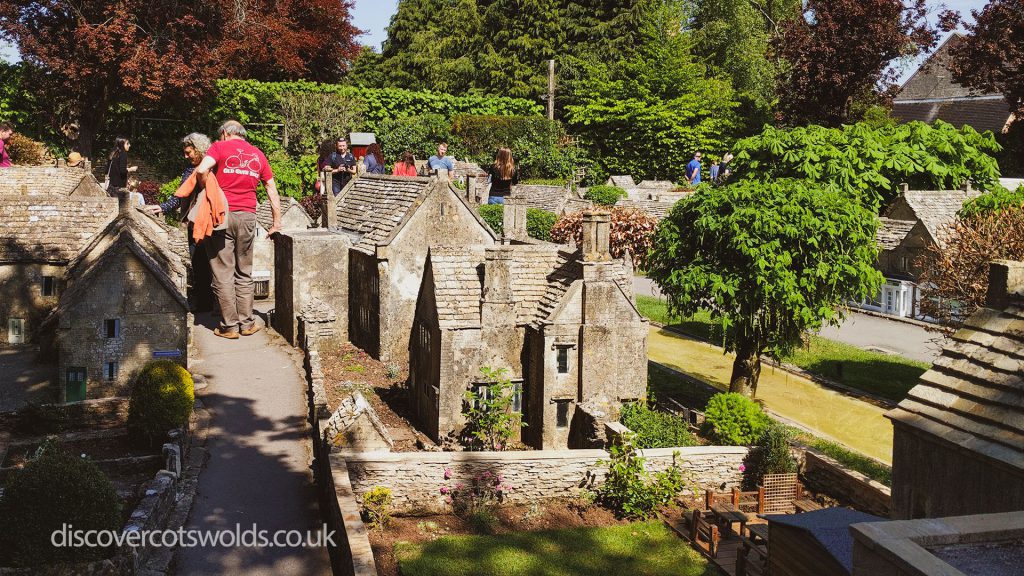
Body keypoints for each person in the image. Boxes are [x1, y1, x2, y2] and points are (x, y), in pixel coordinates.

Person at [194, 120, 282, 339]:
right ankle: (247, 323)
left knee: (223, 271)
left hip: (222, 216)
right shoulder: (257, 154)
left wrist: (209, 190)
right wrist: (276, 222)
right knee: (244, 271)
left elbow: (202, 169)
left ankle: (230, 326)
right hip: (248, 216)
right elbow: (271, 188)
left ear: (224, 133)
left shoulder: (219, 147)